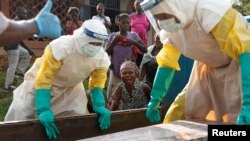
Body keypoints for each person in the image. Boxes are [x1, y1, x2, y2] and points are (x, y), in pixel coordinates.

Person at [140, 0, 250, 125]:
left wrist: (248, 103)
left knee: (237, 118)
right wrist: (155, 98)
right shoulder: (170, 32)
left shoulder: (210, 12)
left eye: (165, 15)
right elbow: (167, 62)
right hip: (207, 68)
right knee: (179, 112)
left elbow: (245, 50)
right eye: (159, 17)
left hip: (240, 66)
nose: (164, 20)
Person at [4, 19, 111, 140]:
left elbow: (97, 83)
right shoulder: (62, 46)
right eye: (92, 43)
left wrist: (99, 105)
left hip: (71, 88)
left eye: (99, 44)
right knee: (22, 117)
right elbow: (45, 77)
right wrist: (44, 109)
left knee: (76, 119)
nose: (96, 46)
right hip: (39, 86)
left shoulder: (102, 58)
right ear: (83, 37)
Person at [105, 13, 147, 98]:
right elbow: (105, 53)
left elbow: (145, 49)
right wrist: (114, 41)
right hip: (115, 72)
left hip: (128, 74)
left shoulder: (133, 35)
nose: (126, 25)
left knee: (127, 96)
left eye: (128, 23)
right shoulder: (113, 35)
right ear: (118, 22)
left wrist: (133, 42)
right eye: (123, 22)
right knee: (112, 96)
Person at [3, 7, 35, 92]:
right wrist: (29, 49)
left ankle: (19, 72)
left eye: (25, 14)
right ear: (17, 13)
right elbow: (20, 39)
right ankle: (8, 86)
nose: (25, 15)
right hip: (11, 46)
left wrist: (28, 51)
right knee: (12, 65)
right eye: (23, 13)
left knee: (26, 55)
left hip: (14, 45)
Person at [130, 0, 150, 66]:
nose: (139, 6)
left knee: (141, 59)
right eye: (138, 4)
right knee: (133, 59)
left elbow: (148, 28)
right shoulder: (131, 16)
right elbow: (128, 28)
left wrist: (143, 32)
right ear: (135, 6)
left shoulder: (146, 16)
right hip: (133, 40)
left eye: (141, 4)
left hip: (143, 40)